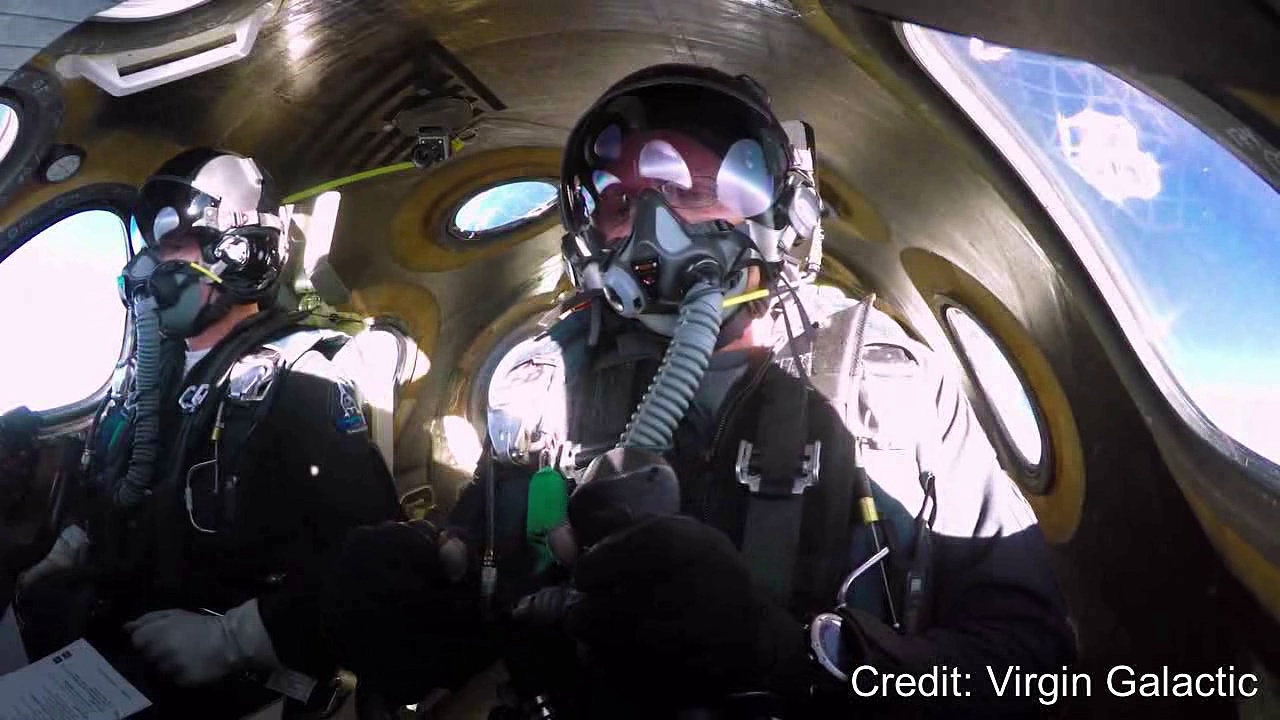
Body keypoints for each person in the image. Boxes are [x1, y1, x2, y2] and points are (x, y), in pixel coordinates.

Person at [322, 64, 1075, 717]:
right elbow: (498, 592)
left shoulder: (888, 386)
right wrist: (425, 608)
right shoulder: (547, 384)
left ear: (778, 207)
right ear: (591, 242)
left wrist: (805, 659)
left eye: (694, 190)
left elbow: (1034, 666)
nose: (656, 228)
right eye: (622, 205)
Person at [15, 148, 403, 718]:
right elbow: (120, 485)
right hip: (122, 638)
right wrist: (71, 546)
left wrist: (235, 639)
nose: (152, 269)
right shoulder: (147, 378)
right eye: (154, 251)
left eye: (176, 247)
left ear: (241, 252)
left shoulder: (302, 381)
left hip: (233, 675)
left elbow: (380, 563)